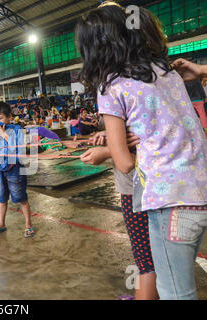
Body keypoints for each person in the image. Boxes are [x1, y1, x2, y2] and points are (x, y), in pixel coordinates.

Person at [76, 4, 207, 299]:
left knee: (175, 292)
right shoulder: (166, 71)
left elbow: (123, 163)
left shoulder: (110, 87)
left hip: (169, 201)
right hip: (200, 191)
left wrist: (110, 149)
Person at [81, 129, 159, 300]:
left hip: (136, 191)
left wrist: (108, 150)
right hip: (162, 187)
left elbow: (125, 163)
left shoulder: (111, 101)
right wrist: (110, 135)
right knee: (160, 255)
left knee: (146, 261)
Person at [0, 102, 33, 238]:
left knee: (21, 197)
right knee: (1, 197)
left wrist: (3, 134)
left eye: (0, 118)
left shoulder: (17, 129)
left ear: (9, 117)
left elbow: (16, 147)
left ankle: (28, 224)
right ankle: (1, 223)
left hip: (15, 168)